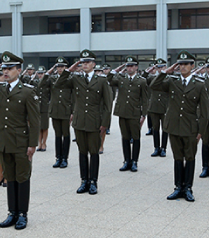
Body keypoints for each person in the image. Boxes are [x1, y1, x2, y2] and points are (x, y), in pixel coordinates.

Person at [0, 51, 40, 230]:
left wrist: (32, 144)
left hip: (20, 142)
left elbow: (35, 121)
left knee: (22, 177)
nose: (6, 72)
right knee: (9, 178)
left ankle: (22, 214)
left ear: (19, 70)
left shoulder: (27, 92)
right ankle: (12, 213)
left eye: (10, 69)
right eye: (4, 68)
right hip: (3, 141)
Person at [149, 50, 208, 202]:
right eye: (180, 64)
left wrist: (201, 131)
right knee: (177, 157)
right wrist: (165, 72)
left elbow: (205, 111)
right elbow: (153, 85)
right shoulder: (171, 81)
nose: (182, 67)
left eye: (186, 64)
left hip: (190, 127)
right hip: (174, 126)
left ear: (192, 66)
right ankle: (178, 187)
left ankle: (187, 188)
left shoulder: (199, 85)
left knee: (189, 158)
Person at [55, 50, 113, 195]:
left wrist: (105, 123)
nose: (84, 64)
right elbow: (58, 84)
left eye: (87, 62)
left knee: (93, 152)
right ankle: (83, 181)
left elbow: (108, 104)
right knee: (82, 152)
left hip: (94, 121)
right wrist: (69, 70)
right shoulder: (76, 78)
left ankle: (93, 181)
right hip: (80, 121)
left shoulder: (101, 80)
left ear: (93, 64)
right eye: (83, 62)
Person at [108, 56, 150, 172]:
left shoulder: (142, 80)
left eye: (131, 66)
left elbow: (144, 99)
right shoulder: (121, 78)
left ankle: (134, 161)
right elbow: (109, 79)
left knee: (136, 138)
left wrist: (144, 114)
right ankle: (127, 161)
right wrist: (116, 69)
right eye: (127, 66)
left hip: (135, 112)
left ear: (136, 67)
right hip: (123, 112)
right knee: (125, 137)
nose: (129, 68)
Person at [43, 57, 72, 168]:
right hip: (55, 110)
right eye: (58, 67)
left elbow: (73, 96)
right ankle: (58, 158)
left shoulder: (70, 79)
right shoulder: (52, 78)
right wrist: (48, 72)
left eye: (62, 67)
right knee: (57, 135)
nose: (60, 69)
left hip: (65, 110)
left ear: (66, 68)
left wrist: (72, 111)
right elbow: (41, 84)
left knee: (66, 134)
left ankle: (65, 158)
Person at [147, 58, 169, 157]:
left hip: (165, 107)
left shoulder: (169, 78)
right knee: (155, 128)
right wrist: (150, 69)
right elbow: (143, 78)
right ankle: (156, 148)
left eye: (162, 67)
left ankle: (163, 148)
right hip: (154, 107)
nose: (160, 69)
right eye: (158, 67)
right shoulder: (152, 78)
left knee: (165, 128)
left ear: (165, 67)